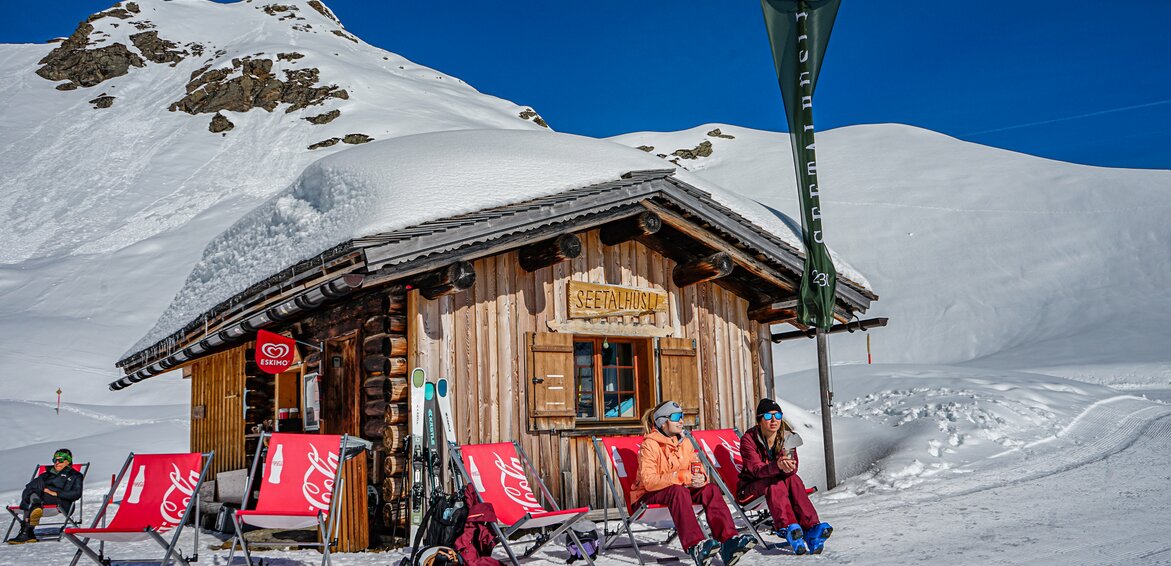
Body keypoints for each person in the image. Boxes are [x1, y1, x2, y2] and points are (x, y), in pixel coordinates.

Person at [629, 401, 756, 566]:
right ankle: (695, 545)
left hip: (677, 492)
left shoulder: (684, 443)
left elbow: (696, 467)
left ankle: (728, 541)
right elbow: (649, 481)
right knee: (678, 491)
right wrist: (683, 476)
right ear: (662, 421)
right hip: (646, 496)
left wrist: (700, 478)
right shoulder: (649, 445)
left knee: (710, 489)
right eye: (676, 417)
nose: (681, 420)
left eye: (681, 416)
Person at [737, 399, 832, 554]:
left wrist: (788, 466)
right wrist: (778, 466)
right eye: (768, 416)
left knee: (793, 479)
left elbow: (792, 470)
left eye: (778, 415)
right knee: (774, 482)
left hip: (776, 485)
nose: (774, 420)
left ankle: (812, 529)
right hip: (749, 490)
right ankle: (788, 527)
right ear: (759, 420)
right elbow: (755, 470)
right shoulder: (749, 440)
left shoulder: (786, 438)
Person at [7, 448, 83, 545]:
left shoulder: (75, 475)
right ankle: (30, 525)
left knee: (34, 497)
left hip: (62, 503)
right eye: (55, 460)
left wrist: (55, 493)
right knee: (30, 490)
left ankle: (26, 531)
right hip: (42, 500)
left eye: (60, 460)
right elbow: (29, 487)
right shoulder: (46, 474)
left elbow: (77, 494)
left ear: (68, 461)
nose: (57, 462)